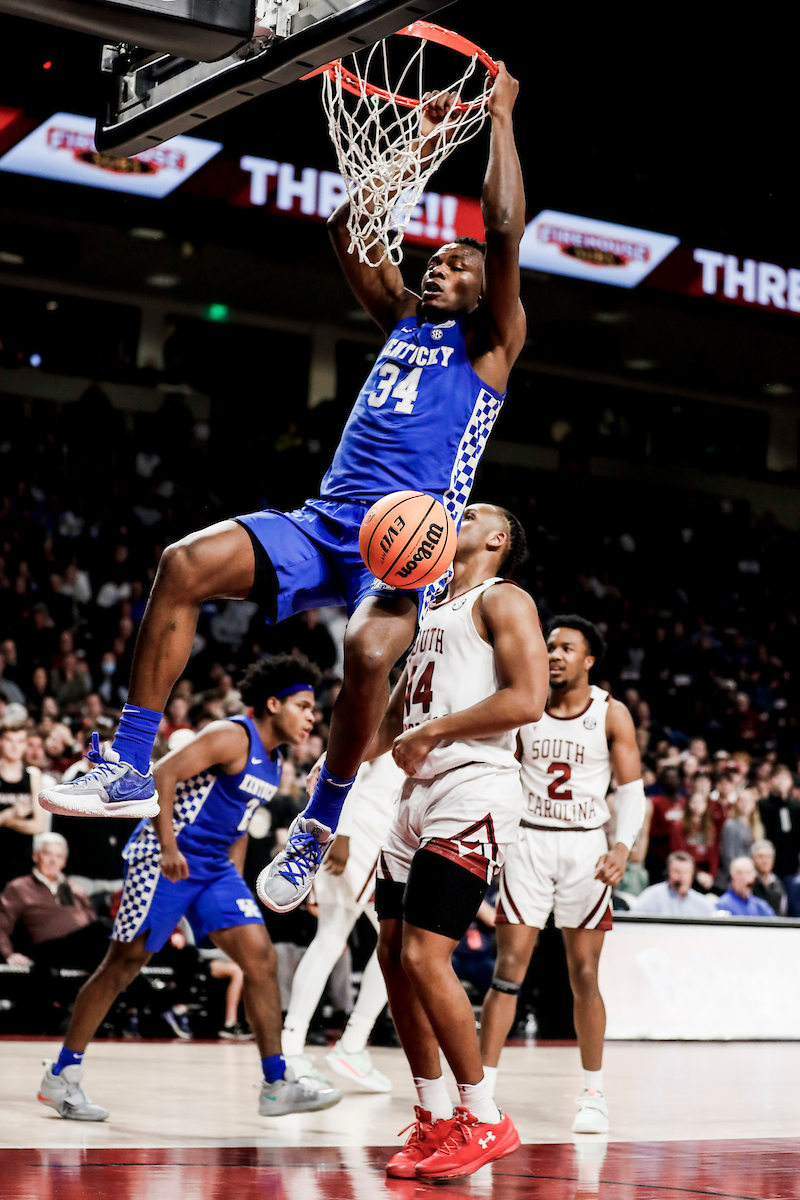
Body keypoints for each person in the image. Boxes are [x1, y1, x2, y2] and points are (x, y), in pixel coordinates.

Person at [39, 66, 528, 920]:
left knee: (371, 655)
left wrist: (500, 121)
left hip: (407, 542)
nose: (439, 266)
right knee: (182, 563)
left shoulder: (492, 346)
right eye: (437, 258)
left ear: (486, 293)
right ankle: (122, 758)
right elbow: (351, 224)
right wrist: (415, 138)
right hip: (324, 520)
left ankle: (320, 818)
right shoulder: (404, 321)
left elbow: (507, 226)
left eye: (457, 264)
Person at [37, 655, 341, 1122]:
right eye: (303, 706)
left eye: (313, 709)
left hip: (214, 870)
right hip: (165, 856)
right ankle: (61, 1075)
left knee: (259, 958)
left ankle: (277, 1082)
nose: (311, 717)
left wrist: (235, 876)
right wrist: (168, 845)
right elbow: (161, 774)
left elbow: (240, 824)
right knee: (124, 964)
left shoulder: (274, 761)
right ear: (273, 703)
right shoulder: (231, 735)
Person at [371, 503, 549, 1181]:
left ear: (497, 538)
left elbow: (529, 698)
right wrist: (334, 778)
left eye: (471, 514)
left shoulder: (504, 597)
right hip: (412, 794)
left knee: (425, 954)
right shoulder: (426, 608)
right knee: (391, 956)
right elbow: (394, 717)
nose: (456, 516)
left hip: (473, 786)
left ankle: (485, 1116)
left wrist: (434, 732)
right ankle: (435, 1116)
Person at [479, 616, 645, 1138]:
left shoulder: (610, 713)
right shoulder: (525, 704)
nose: (554, 654)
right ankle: (479, 1092)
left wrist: (621, 846)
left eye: (566, 648)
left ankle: (593, 1093)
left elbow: (632, 790)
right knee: (508, 969)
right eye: (550, 646)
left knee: (585, 975)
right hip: (528, 840)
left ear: (588, 660)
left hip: (585, 847)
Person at [281, 751, 404, 1092]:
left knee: (330, 939)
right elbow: (345, 767)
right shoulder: (386, 720)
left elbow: (320, 774)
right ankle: (353, 1043)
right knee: (397, 945)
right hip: (363, 837)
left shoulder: (379, 722)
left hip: (344, 834)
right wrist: (345, 833)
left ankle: (291, 1044)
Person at [0, 832, 107, 968]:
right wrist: (8, 954)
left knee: (110, 936)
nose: (53, 860)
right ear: (35, 856)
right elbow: (1, 926)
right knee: (103, 928)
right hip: (48, 951)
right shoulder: (19, 887)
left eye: (59, 856)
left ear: (64, 862)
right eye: (47, 854)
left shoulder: (72, 888)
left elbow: (91, 921)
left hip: (81, 950)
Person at [0, 717, 46, 890]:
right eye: (10, 741)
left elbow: (39, 826)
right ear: (2, 742)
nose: (14, 747)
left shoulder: (33, 776)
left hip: (22, 864)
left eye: (20, 741)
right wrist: (11, 813)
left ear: (25, 744)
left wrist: (5, 820)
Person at [631, 851, 715, 917]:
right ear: (668, 873)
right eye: (677, 872)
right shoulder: (651, 896)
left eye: (686, 873)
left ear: (692, 875)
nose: (682, 877)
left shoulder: (701, 903)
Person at [669, 789, 719, 891]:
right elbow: (680, 851)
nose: (697, 806)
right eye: (694, 802)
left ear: (706, 806)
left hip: (706, 872)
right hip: (688, 868)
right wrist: (697, 873)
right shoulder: (680, 825)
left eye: (700, 802)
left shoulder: (710, 827)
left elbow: (714, 853)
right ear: (688, 804)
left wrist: (711, 875)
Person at [757, 766, 800, 881]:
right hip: (770, 865)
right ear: (771, 781)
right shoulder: (762, 805)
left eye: (785, 778)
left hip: (792, 865)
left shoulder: (796, 806)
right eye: (778, 778)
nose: (782, 782)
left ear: (791, 782)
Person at [716, 788, 763, 889]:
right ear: (737, 804)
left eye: (748, 801)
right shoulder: (730, 825)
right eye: (741, 800)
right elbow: (728, 856)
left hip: (753, 875)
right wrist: (740, 875)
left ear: (753, 804)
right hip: (736, 877)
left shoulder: (758, 826)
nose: (744, 804)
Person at [751, 839, 787, 915]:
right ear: (753, 859)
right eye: (761, 857)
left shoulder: (777, 884)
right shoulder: (749, 882)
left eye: (768, 857)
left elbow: (782, 910)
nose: (765, 861)